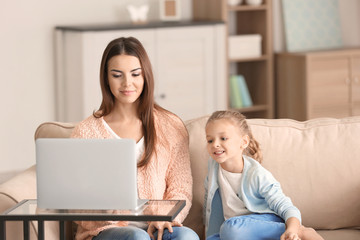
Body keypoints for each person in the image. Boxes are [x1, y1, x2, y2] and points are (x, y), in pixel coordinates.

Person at [71, 37, 199, 240]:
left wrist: (164, 216)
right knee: (137, 238)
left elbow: (181, 187)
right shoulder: (86, 132)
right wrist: (107, 210)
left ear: (145, 76)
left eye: (135, 74)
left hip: (159, 226)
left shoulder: (171, 125)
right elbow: (77, 202)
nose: (127, 83)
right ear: (106, 78)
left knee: (187, 237)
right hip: (106, 231)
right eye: (117, 75)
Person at [204, 110, 324, 240]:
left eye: (223, 138)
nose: (215, 144)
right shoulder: (213, 167)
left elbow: (286, 206)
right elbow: (209, 202)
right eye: (210, 140)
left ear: (243, 142)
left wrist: (292, 229)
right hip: (237, 233)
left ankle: (302, 232)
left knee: (231, 228)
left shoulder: (256, 174)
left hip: (258, 224)